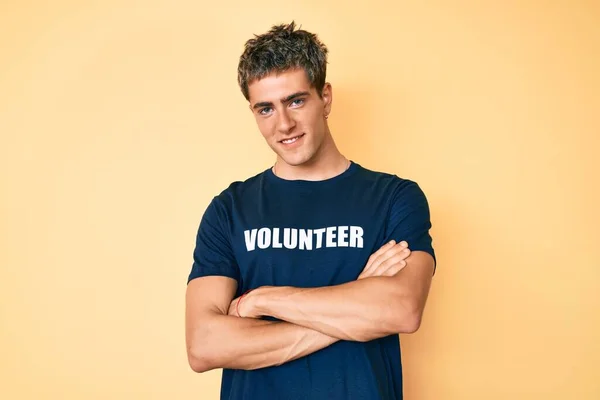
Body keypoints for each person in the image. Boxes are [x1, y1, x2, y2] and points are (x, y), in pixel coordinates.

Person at [185, 21, 436, 400]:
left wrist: (261, 301)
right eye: (265, 108)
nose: (283, 124)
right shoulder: (229, 210)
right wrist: (356, 303)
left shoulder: (394, 198)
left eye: (296, 101)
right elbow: (204, 345)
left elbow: (400, 310)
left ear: (326, 98)